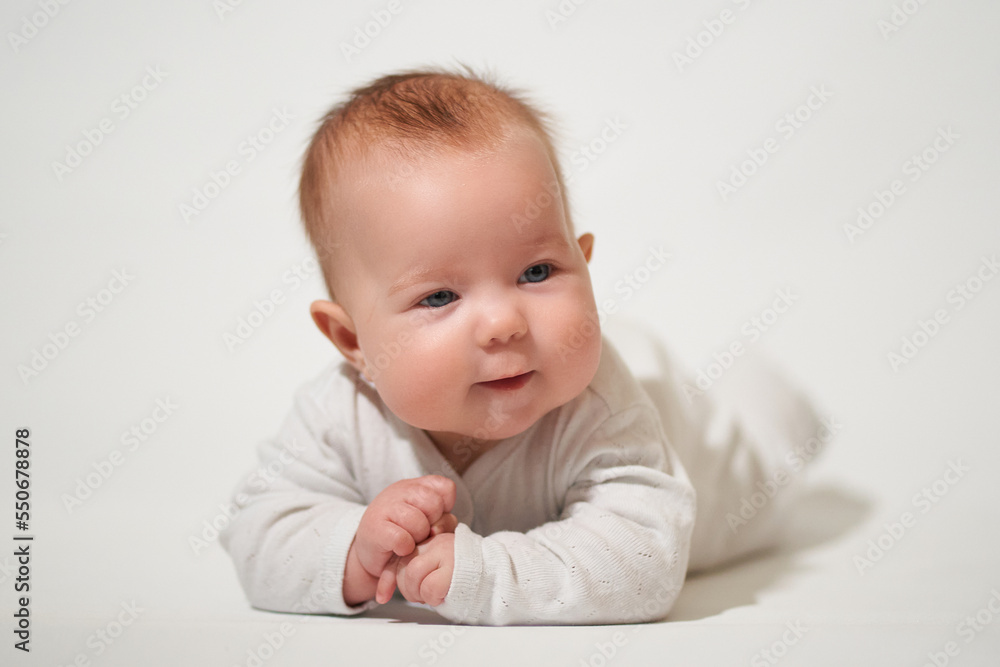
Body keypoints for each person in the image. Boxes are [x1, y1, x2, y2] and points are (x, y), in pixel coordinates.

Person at [220, 67, 824, 625]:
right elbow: (256, 531)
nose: (503, 323)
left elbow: (644, 562)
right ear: (353, 341)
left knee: (766, 456)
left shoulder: (599, 410)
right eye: (439, 298)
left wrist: (485, 574)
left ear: (583, 267)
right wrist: (351, 548)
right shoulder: (339, 416)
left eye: (536, 273)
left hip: (703, 457)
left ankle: (781, 403)